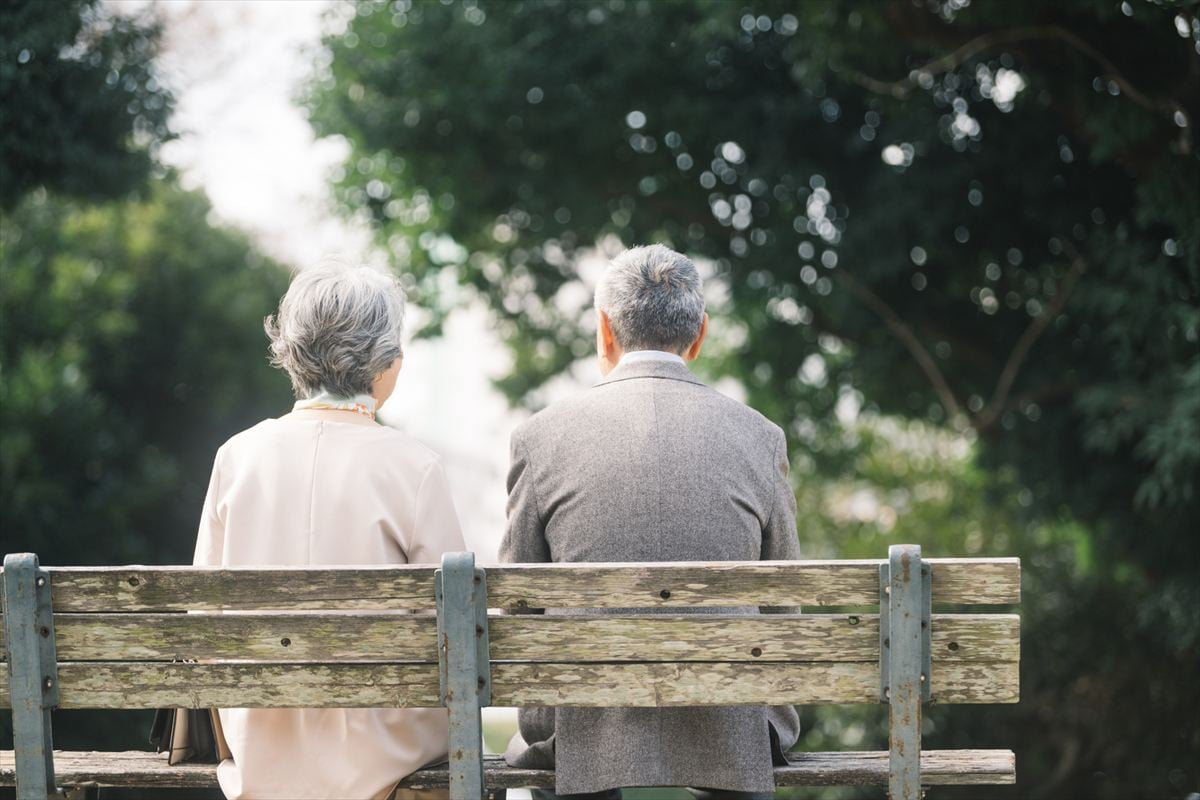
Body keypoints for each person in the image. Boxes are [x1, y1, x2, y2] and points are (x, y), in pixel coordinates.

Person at [499, 244, 802, 799]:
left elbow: (520, 608)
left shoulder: (539, 438)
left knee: (553, 749)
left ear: (604, 331)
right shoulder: (762, 439)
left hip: (582, 730)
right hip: (732, 727)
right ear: (700, 334)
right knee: (738, 729)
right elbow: (785, 605)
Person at [193, 261, 464, 800]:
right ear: (385, 361)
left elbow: (204, 616)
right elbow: (456, 629)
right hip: (378, 747)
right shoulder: (415, 465)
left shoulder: (236, 457)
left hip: (260, 744)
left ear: (290, 352)